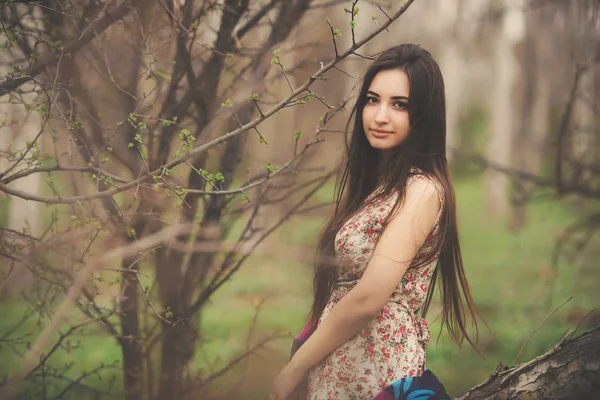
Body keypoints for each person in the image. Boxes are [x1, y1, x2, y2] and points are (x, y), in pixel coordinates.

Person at [270, 44, 482, 400]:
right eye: (373, 100)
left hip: (378, 375)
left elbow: (369, 298)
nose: (380, 116)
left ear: (424, 115)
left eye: (400, 104)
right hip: (342, 370)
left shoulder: (422, 191)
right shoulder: (376, 189)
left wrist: (294, 368)